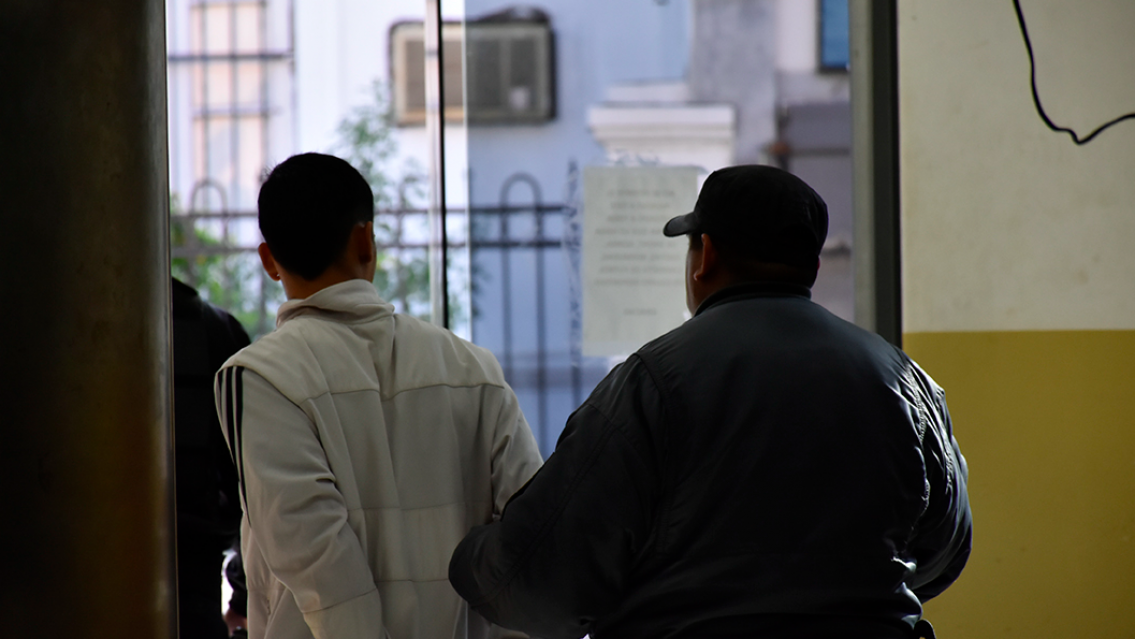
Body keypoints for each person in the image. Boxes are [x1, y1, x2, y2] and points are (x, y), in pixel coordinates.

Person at [448, 165, 972, 639]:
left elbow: (542, 583)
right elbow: (944, 549)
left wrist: (467, 556)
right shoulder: (903, 381)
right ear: (811, 265)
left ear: (707, 256)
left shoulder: (652, 384)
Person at [214, 152, 543, 639]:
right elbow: (533, 542)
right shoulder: (473, 369)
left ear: (268, 261)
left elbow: (321, 565)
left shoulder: (264, 378)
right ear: (366, 240)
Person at [172, 276, 250, 638]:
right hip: (192, 574)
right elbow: (249, 486)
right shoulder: (214, 328)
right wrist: (243, 598)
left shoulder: (43, 328)